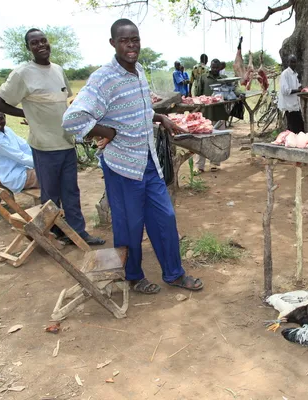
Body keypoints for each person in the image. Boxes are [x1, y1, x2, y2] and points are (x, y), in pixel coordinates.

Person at [62, 18, 203, 294]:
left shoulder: (138, 70)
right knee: (130, 224)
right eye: (125, 40)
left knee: (165, 218)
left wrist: (159, 116)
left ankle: (174, 274)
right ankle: (133, 275)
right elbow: (72, 118)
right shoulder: (104, 78)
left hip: (147, 160)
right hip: (122, 166)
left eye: (135, 39)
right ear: (113, 43)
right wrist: (107, 131)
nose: (131, 45)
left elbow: (138, 110)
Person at [0, 28, 104, 245]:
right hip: (43, 146)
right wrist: (26, 113)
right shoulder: (22, 73)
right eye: (34, 43)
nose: (41, 45)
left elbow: (64, 102)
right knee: (51, 195)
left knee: (71, 191)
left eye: (43, 41)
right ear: (28, 48)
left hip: (65, 142)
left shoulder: (58, 70)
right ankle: (55, 234)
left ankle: (78, 233)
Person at [194, 58, 243, 172]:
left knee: (218, 140)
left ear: (220, 68)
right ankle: (199, 166)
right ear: (210, 67)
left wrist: (239, 94)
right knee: (201, 140)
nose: (215, 69)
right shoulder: (203, 78)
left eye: (217, 67)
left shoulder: (224, 79)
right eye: (213, 67)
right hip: (206, 114)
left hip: (220, 114)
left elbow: (234, 89)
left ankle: (215, 163)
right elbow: (197, 94)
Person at [0, 107, 39, 193]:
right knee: (52, 174)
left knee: (54, 171)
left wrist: (41, 158)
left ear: (4, 116)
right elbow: (21, 157)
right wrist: (43, 163)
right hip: (16, 177)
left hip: (24, 169)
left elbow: (25, 146)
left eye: (0, 118)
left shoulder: (7, 130)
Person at [278, 55, 304, 134]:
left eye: (294, 62)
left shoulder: (295, 74)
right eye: (291, 62)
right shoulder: (285, 74)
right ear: (288, 63)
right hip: (289, 106)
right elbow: (285, 91)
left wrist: (300, 88)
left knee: (299, 128)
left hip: (295, 105)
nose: (293, 64)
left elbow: (297, 87)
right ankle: (292, 144)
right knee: (294, 129)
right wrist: (297, 90)